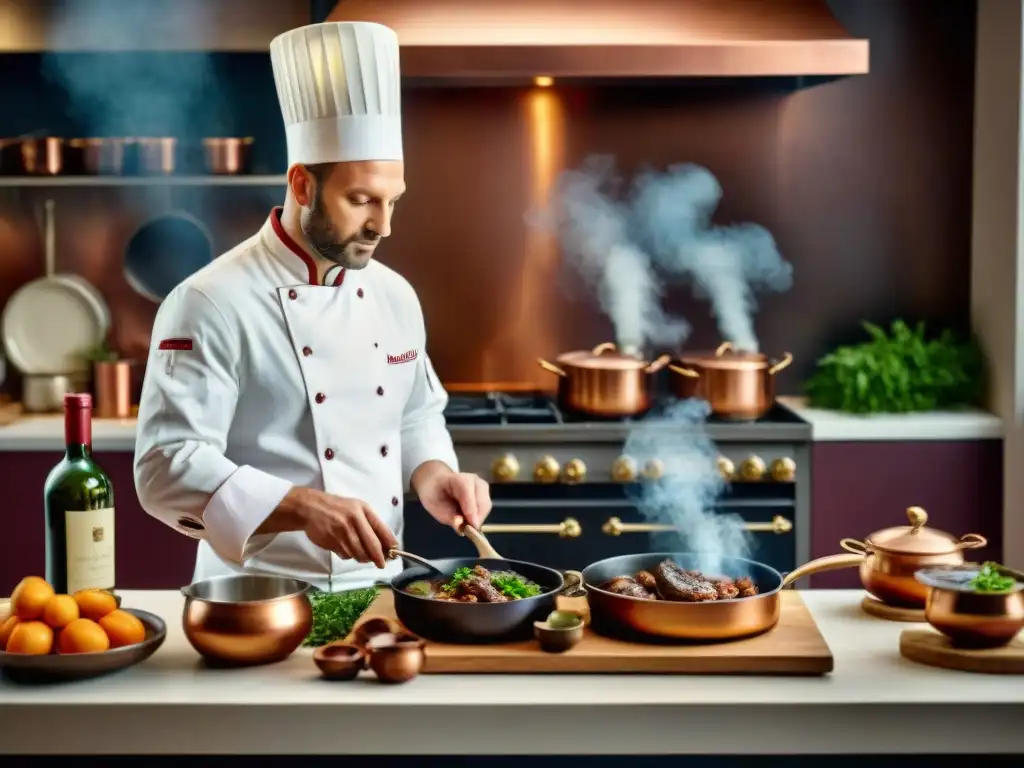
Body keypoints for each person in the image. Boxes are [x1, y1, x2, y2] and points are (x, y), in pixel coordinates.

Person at [133, 21, 492, 591]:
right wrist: (302, 506)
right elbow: (166, 469)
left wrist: (434, 473)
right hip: (258, 596)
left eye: (392, 201)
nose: (383, 225)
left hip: (384, 592)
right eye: (361, 201)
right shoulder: (208, 302)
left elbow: (415, 414)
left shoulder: (394, 294)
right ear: (302, 185)